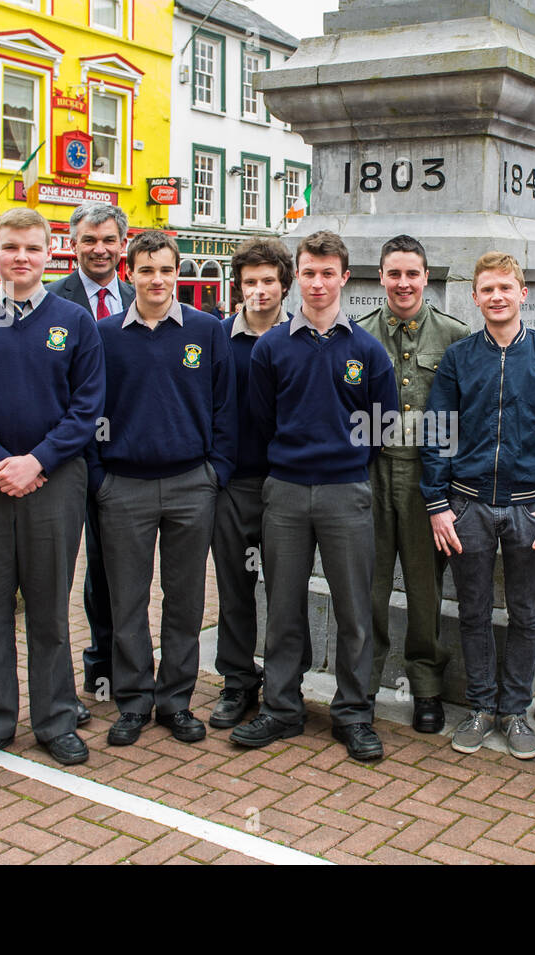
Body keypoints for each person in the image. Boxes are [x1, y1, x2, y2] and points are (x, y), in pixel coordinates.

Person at [0, 207, 105, 770]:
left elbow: (87, 409)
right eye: (11, 247)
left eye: (33, 248)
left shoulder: (74, 322)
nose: (22, 258)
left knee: (50, 606)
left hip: (54, 481)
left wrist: (37, 461)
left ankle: (55, 718)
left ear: (50, 251)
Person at [231, 230, 397, 762]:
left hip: (347, 492)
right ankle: (282, 708)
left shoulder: (368, 351)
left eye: (329, 273)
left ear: (345, 278)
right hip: (284, 492)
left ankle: (353, 712)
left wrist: (345, 466)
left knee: (354, 609)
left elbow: (383, 424)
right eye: (309, 272)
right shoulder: (271, 348)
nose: (319, 282)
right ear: (295, 277)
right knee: (282, 606)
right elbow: (260, 420)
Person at [422, 251, 535, 760]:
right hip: (466, 506)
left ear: (523, 294)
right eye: (487, 289)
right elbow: (437, 432)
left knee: (526, 613)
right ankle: (480, 707)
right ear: (475, 296)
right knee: (472, 611)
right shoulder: (460, 357)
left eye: (505, 288)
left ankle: (514, 711)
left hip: (529, 509)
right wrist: (436, 504)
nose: (496, 297)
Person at [89, 231, 236, 747]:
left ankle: (176, 701)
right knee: (127, 601)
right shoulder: (103, 335)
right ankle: (132, 702)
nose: (157, 280)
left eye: (166, 270)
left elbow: (224, 407)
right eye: (146, 270)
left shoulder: (207, 330)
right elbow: (88, 410)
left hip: (190, 484)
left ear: (178, 273)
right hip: (122, 486)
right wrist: (99, 477)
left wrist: (215, 470)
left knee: (185, 600)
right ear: (129, 273)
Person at [354, 235, 469, 733]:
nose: (403, 283)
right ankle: (363, 687)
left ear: (427, 278)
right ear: (381, 276)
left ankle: (425, 689)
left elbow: (468, 413)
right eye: (394, 273)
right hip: (372, 473)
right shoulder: (357, 335)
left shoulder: (454, 337)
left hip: (428, 478)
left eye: (413, 274)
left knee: (425, 590)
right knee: (369, 588)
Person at [209, 237, 307, 730]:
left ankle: (286, 683)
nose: (260, 290)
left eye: (269, 280)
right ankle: (237, 680)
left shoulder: (301, 337)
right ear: (238, 287)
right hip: (234, 485)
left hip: (287, 485)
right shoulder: (217, 338)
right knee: (234, 589)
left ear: (284, 286)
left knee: (287, 592)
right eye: (250, 282)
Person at [50, 202, 134, 701]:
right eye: (89, 240)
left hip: (115, 460)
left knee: (108, 572)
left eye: (108, 240)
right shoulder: (50, 300)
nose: (99, 249)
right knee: (54, 576)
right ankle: (56, 687)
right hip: (61, 457)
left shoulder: (135, 296)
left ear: (123, 245)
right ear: (73, 244)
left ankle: (107, 672)